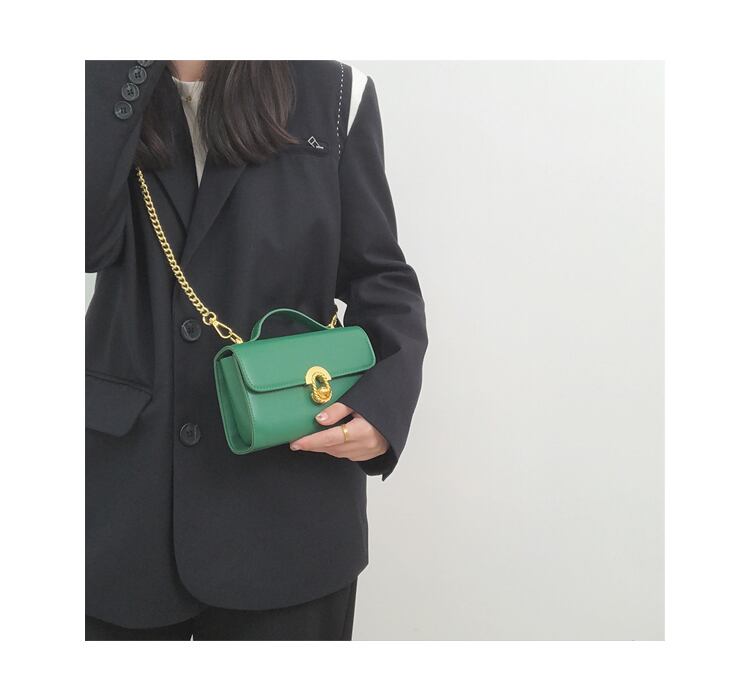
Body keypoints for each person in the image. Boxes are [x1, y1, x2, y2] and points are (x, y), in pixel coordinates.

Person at [85, 60, 428, 640]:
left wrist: (383, 405)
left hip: (289, 494)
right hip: (122, 508)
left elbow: (380, 276)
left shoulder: (334, 92)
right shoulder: (96, 85)